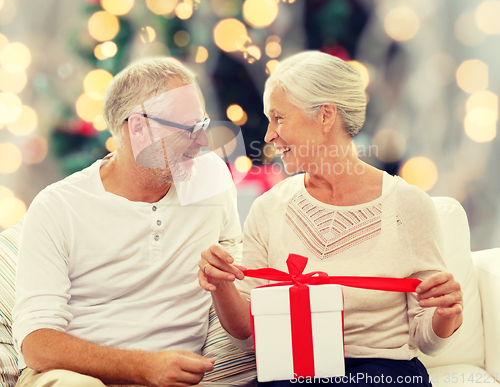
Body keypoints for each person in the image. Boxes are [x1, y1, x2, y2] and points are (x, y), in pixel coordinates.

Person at [199, 51, 463, 386]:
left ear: (325, 116)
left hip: (382, 374)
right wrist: (221, 284)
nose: (268, 135)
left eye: (279, 118)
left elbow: (427, 339)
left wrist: (446, 313)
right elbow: (248, 336)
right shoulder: (268, 208)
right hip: (294, 374)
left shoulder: (408, 206)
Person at [13, 57, 242, 387]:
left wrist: (222, 281)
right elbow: (37, 344)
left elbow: (241, 321)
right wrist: (144, 367)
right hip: (74, 377)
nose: (203, 143)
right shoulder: (58, 207)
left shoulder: (212, 180)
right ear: (138, 128)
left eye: (203, 126)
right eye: (189, 129)